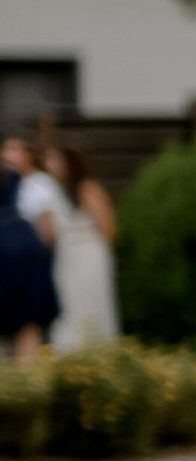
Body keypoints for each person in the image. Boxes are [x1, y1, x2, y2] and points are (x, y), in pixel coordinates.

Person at [35, 138, 119, 348]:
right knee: (68, 303)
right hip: (66, 257)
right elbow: (51, 234)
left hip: (90, 255)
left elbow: (109, 229)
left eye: (55, 159)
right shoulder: (53, 192)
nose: (50, 164)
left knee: (92, 302)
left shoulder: (88, 189)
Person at [0, 133, 59, 359]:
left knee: (27, 325)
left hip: (25, 261)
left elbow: (48, 232)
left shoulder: (39, 184)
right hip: (23, 257)